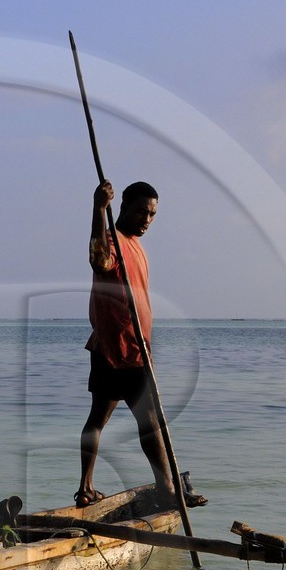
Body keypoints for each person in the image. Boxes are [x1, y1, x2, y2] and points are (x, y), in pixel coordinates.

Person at [76, 179, 205, 509]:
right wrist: (97, 208)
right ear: (123, 208)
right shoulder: (112, 240)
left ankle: (86, 489)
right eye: (141, 212)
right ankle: (166, 488)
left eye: (152, 215)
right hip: (118, 348)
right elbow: (98, 261)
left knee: (99, 420)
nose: (147, 219)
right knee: (149, 419)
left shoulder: (136, 245)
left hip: (133, 348)